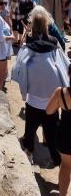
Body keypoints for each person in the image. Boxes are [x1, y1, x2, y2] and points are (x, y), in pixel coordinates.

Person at [12, 6, 69, 168]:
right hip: (52, 100)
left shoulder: (29, 42)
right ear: (47, 24)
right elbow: (63, 65)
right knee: (52, 135)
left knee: (30, 132)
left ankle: (29, 155)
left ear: (32, 24)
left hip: (33, 101)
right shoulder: (53, 42)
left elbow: (19, 66)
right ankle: (58, 162)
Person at [47, 68, 71, 196]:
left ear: (68, 73)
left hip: (66, 135)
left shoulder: (60, 92)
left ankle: (62, 194)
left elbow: (49, 111)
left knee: (66, 165)